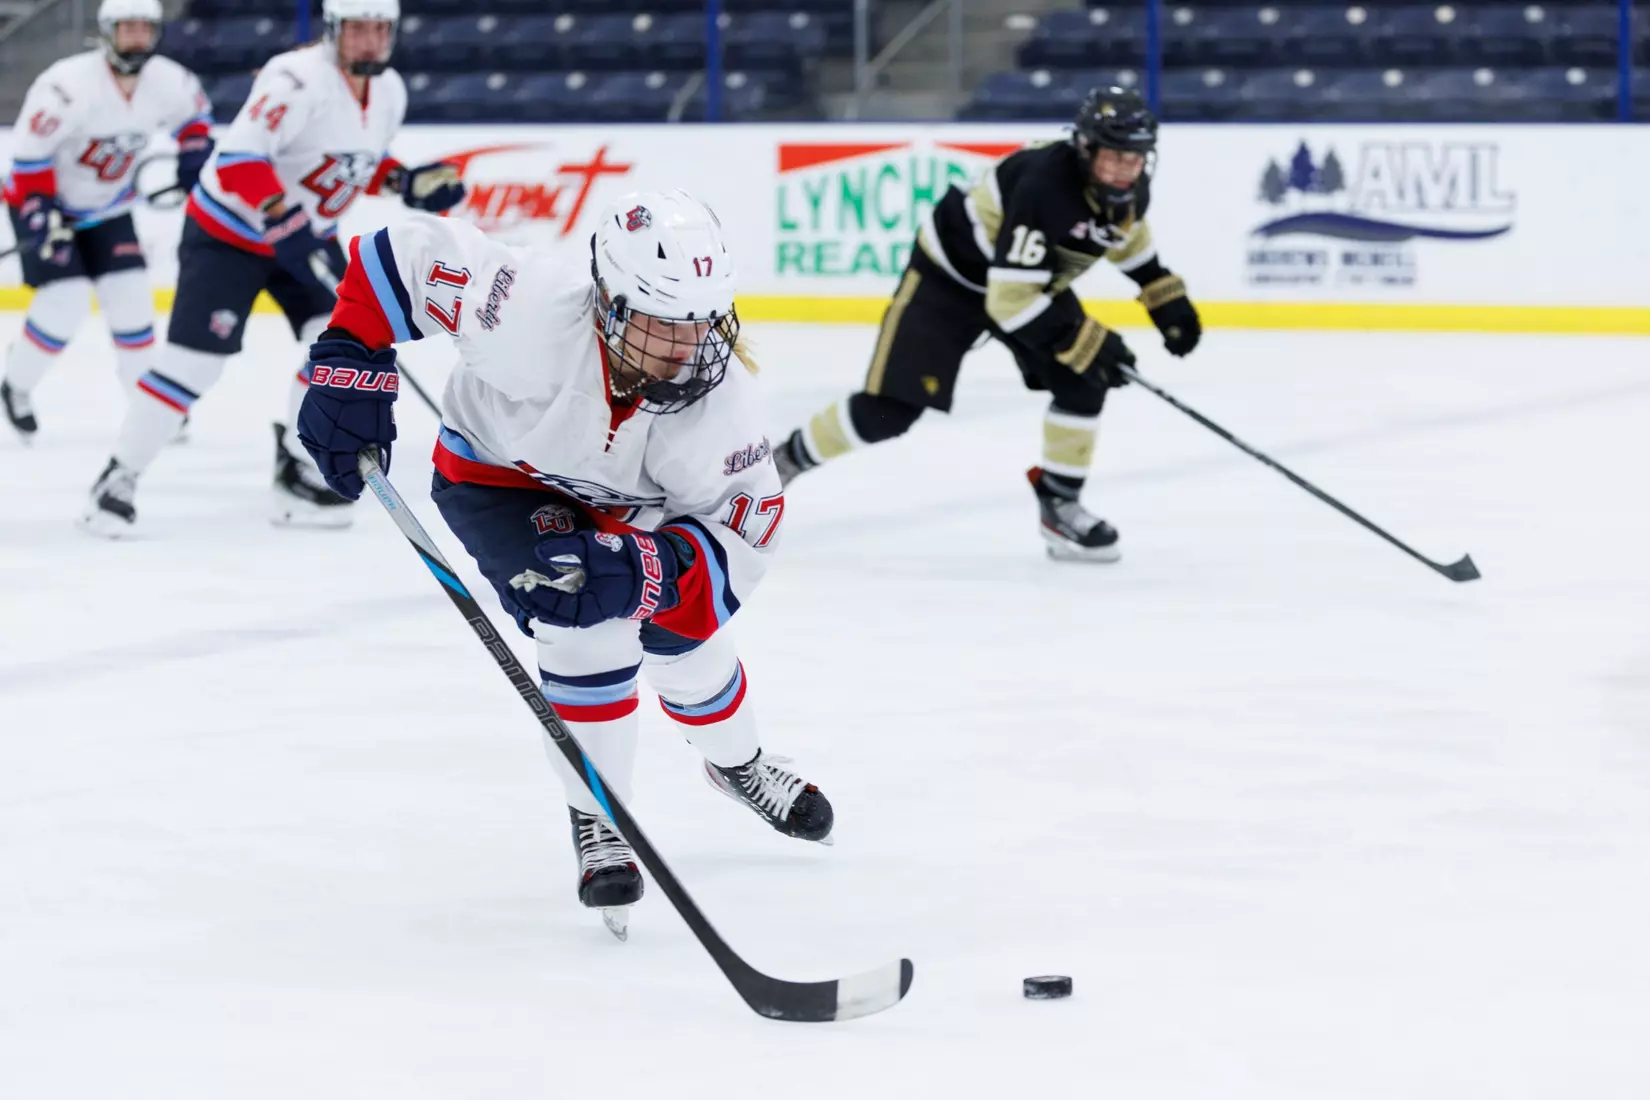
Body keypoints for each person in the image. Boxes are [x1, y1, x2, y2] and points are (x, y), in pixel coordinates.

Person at [292, 190, 833, 937]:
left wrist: (646, 570)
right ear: (608, 304)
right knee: (584, 619)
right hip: (500, 484)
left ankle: (739, 763)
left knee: (690, 650)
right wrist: (351, 357)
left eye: (702, 323)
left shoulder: (720, 411)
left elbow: (741, 539)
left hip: (635, 516)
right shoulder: (528, 308)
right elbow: (401, 257)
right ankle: (598, 813)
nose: (688, 348)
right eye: (664, 324)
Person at [80, 0, 466, 536]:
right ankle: (118, 477)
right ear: (333, 30)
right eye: (358, 29)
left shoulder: (389, 90)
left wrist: (404, 181)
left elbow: (350, 160)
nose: (371, 41)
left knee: (343, 346)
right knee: (193, 366)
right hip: (229, 237)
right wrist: (282, 216)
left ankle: (297, 466)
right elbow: (238, 159)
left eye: (381, 29)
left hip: (304, 235)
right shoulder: (295, 79)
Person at [772, 87, 1203, 562]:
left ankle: (1060, 504)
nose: (1125, 169)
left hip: (1024, 280)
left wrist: (1162, 293)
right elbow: (1009, 302)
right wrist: (1087, 340)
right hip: (950, 278)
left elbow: (1120, 235)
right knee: (888, 411)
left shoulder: (1128, 190)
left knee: (1083, 380)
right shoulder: (1045, 186)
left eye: (1135, 158)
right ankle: (783, 462)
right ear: (1085, 148)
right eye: (1115, 156)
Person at [1, 0, 213, 442]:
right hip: (40, 202)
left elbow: (195, 120)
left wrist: (193, 157)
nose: (136, 37)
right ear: (107, 31)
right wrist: (41, 212)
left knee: (132, 299)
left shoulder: (168, 80)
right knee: (65, 301)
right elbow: (29, 158)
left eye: (144, 28)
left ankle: (148, 405)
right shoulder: (66, 85)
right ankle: (16, 385)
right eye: (127, 28)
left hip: (108, 209)